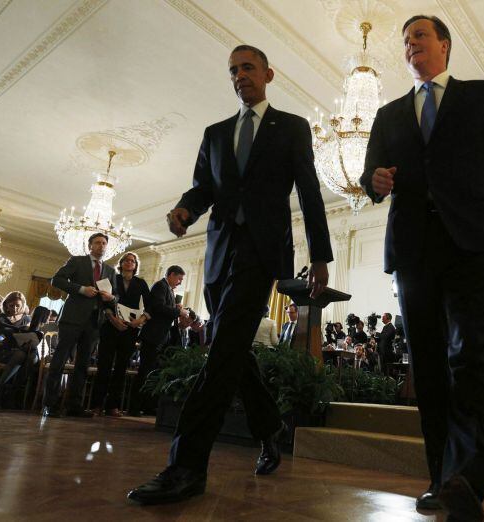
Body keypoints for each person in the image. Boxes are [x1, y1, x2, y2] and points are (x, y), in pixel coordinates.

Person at [359, 15, 484, 519]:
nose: (411, 45)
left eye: (420, 36)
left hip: (472, 246)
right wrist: (375, 181)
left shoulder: (481, 95)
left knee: (468, 358)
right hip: (412, 250)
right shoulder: (388, 114)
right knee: (427, 368)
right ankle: (440, 479)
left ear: (444, 45)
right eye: (405, 41)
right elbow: (370, 175)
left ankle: (468, 481)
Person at [128, 44, 333, 505]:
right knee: (233, 349)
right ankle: (270, 425)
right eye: (233, 70)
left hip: (262, 254)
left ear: (268, 74)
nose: (240, 75)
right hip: (219, 254)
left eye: (248, 67)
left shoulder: (291, 127)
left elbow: (310, 190)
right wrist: (185, 208)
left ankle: (185, 468)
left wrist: (320, 255)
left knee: (220, 354)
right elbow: (204, 187)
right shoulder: (216, 133)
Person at [43, 232, 116, 418]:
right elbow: (56, 280)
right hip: (72, 319)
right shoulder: (77, 261)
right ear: (90, 246)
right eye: (98, 243)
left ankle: (74, 405)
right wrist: (81, 289)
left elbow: (115, 297)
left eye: (104, 243)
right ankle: (50, 405)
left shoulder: (110, 271)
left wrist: (111, 298)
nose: (101, 246)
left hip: (94, 322)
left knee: (83, 365)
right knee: (59, 361)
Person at [92, 251, 150, 417]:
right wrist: (112, 319)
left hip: (129, 329)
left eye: (133, 261)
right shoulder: (112, 278)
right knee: (104, 366)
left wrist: (141, 320)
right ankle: (97, 405)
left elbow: (150, 304)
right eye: (126, 260)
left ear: (136, 265)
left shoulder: (141, 283)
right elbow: (102, 301)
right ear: (121, 263)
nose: (130, 262)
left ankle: (113, 406)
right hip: (110, 327)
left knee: (120, 368)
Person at [129, 266, 188, 416]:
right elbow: (158, 307)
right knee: (145, 372)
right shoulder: (160, 286)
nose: (180, 282)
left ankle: (148, 405)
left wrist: (175, 307)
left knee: (154, 374)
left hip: (161, 337)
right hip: (152, 336)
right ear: (171, 275)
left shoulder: (168, 288)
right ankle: (134, 407)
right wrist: (178, 311)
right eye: (179, 278)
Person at [0, 292, 44, 409]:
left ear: (23, 305)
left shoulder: (27, 319)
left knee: (31, 357)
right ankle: (1, 391)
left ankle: (11, 392)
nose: (14, 308)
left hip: (20, 351)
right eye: (11, 306)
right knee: (21, 355)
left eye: (17, 306)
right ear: (6, 305)